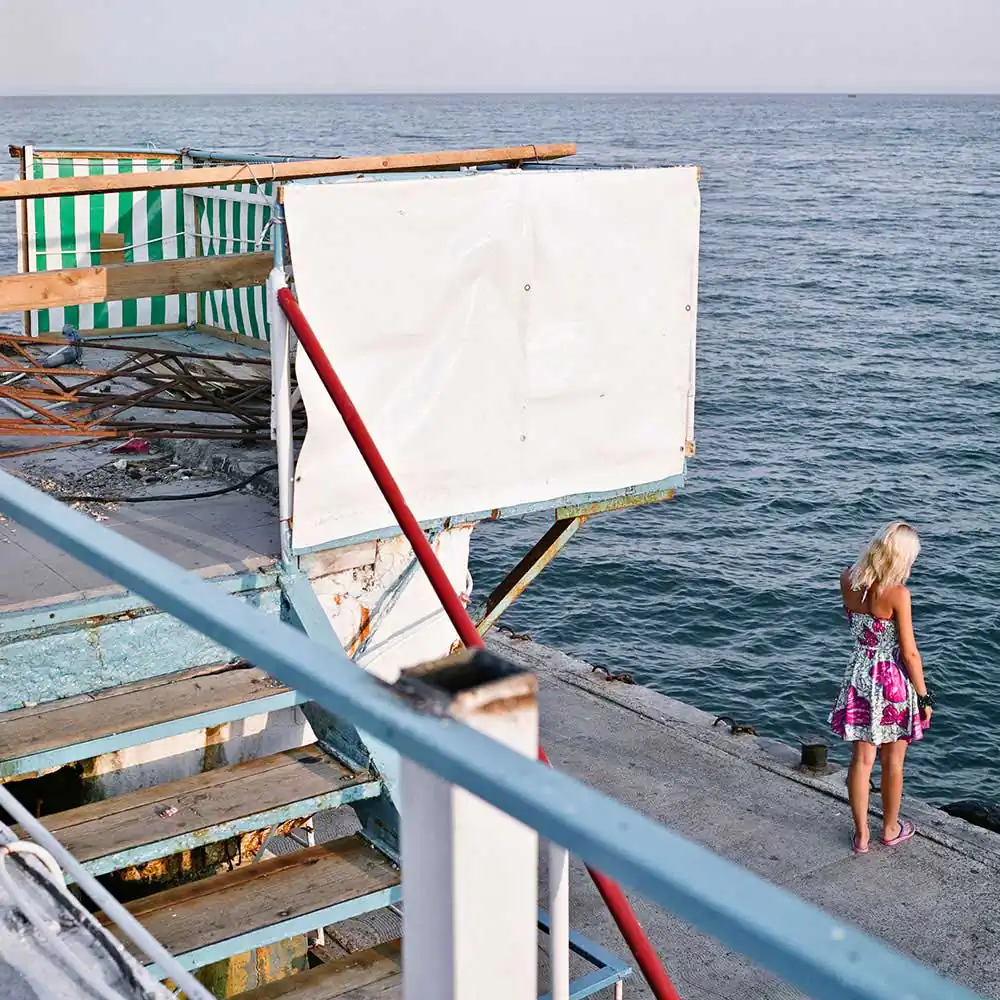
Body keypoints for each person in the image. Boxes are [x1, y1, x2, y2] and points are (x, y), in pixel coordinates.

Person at [829, 521, 934, 854]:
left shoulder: (847, 579)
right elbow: (910, 653)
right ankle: (890, 828)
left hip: (859, 675)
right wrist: (924, 697)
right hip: (892, 681)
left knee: (861, 760)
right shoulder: (898, 594)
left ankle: (861, 835)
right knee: (893, 762)